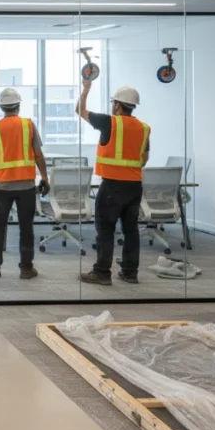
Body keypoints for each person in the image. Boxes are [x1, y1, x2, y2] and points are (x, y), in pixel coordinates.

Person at [76, 80, 150, 286]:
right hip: (134, 186)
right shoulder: (144, 128)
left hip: (112, 187)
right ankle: (130, 272)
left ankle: (101, 272)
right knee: (131, 230)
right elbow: (144, 159)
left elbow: (79, 110)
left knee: (106, 230)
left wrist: (86, 89)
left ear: (117, 105)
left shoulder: (109, 122)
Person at [0, 88, 49, 280]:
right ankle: (26, 268)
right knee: (26, 227)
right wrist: (44, 177)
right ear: (18, 105)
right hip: (26, 186)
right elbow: (38, 154)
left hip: (2, 186)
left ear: (2, 107)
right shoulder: (28, 125)